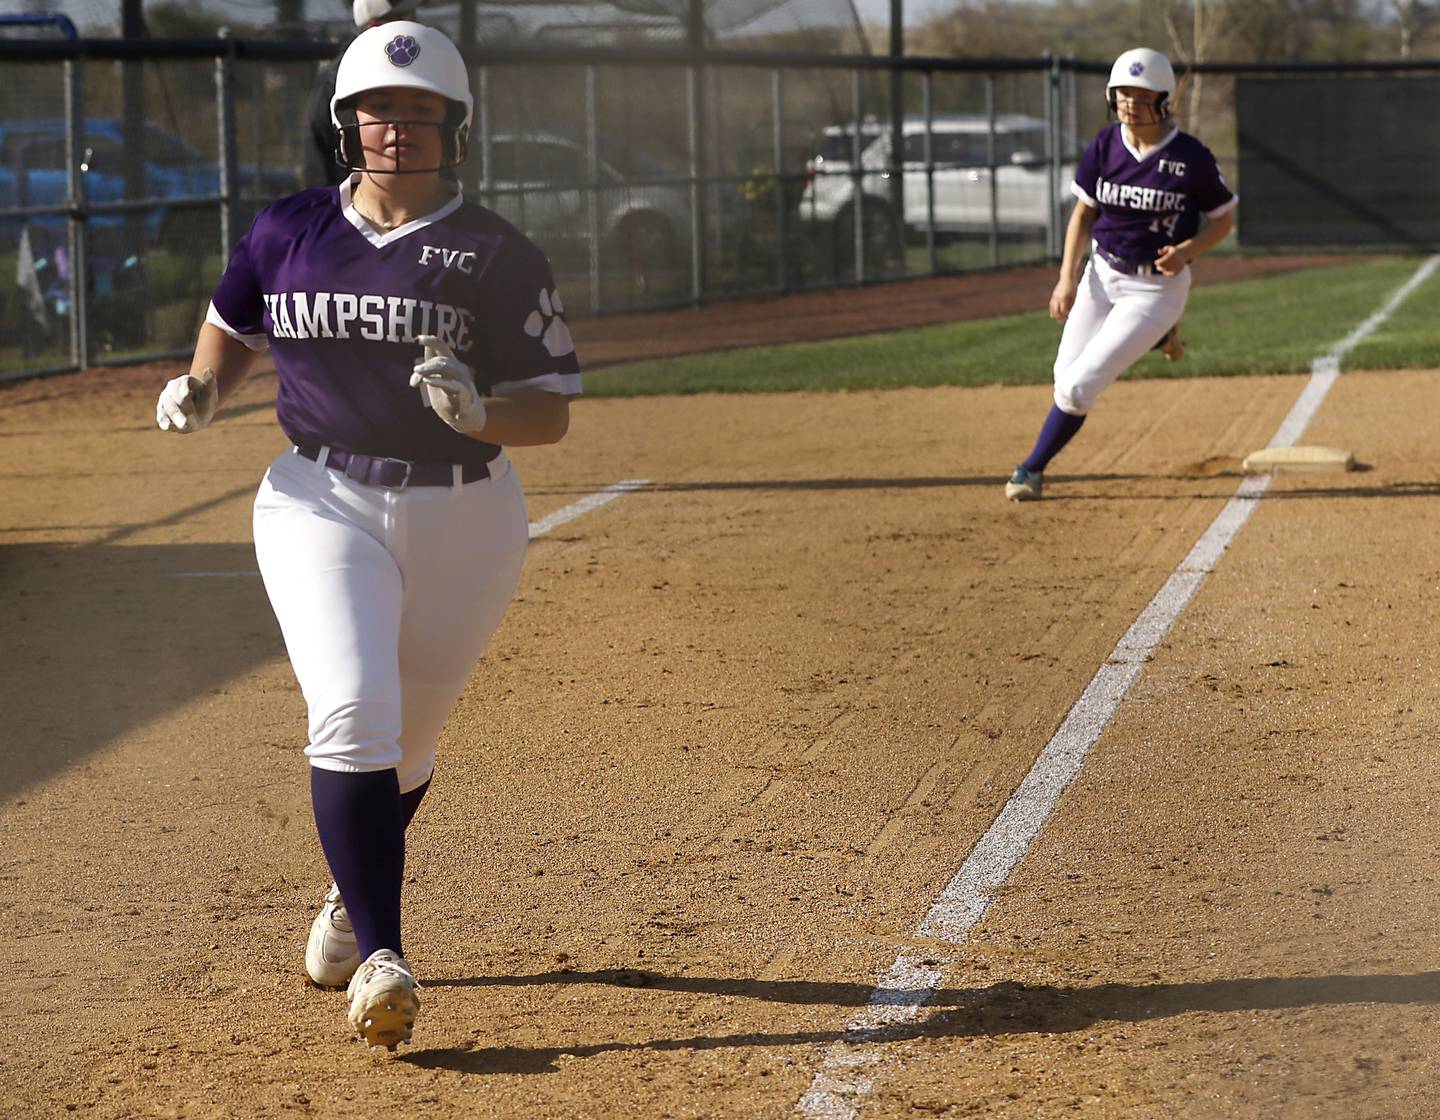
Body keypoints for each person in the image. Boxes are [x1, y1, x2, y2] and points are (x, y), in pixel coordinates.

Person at [155, 20, 581, 1050]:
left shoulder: (495, 253)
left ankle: (351, 896)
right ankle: (386, 952)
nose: (398, 130)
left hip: (468, 510)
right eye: (379, 112)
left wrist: (482, 413)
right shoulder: (288, 228)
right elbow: (236, 317)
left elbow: (551, 409)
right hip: (319, 499)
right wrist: (206, 386)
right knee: (353, 708)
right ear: (347, 126)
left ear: (454, 129)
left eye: (422, 113)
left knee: (411, 741)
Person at [1004, 47, 1237, 502]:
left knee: (1076, 388)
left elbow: (1224, 220)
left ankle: (1030, 469)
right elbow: (1082, 215)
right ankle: (1159, 338)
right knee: (1062, 376)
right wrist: (1066, 279)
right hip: (1101, 273)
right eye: (1122, 93)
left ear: (1165, 99)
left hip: (1156, 289)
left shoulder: (1191, 158)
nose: (1129, 102)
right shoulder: (1105, 145)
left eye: (1141, 94)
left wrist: (1188, 250)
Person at [303, 0, 426, 188]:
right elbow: (319, 166)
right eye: (406, 19)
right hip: (355, 208)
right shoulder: (336, 81)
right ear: (375, 26)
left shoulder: (417, 74)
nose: (416, 26)